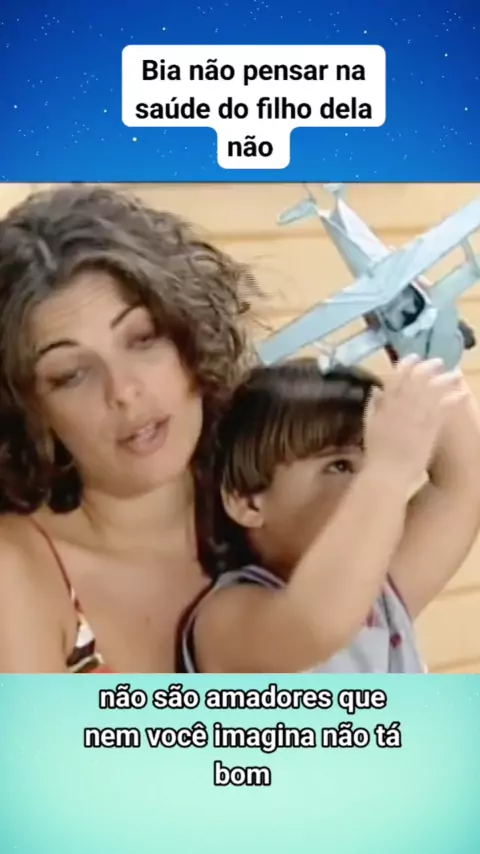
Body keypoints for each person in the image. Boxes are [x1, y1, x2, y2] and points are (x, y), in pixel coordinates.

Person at [0, 183, 257, 673]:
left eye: (142, 339)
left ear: (190, 337)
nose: (123, 390)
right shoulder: (16, 571)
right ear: (27, 410)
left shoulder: (278, 510)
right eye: (71, 375)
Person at [178, 356, 480, 673]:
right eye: (340, 466)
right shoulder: (226, 619)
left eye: (369, 460)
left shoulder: (380, 594)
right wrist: (387, 468)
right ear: (248, 502)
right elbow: (316, 625)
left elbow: (466, 482)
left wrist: (429, 350)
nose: (366, 488)